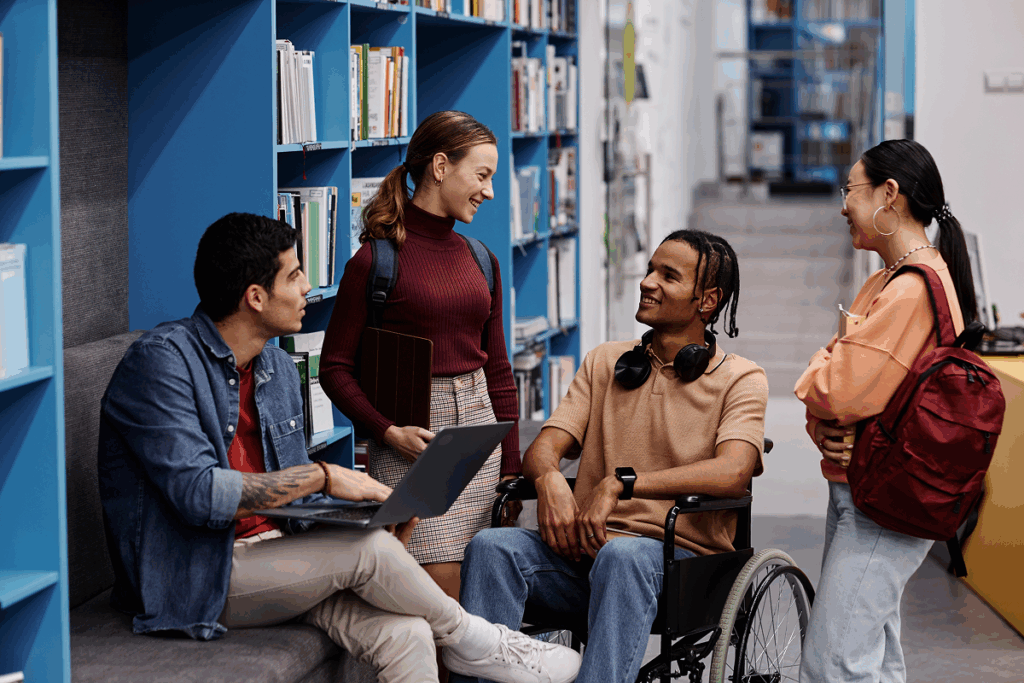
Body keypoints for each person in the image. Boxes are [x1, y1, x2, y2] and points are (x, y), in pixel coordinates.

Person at [97, 212, 581, 683]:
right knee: (367, 553)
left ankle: (468, 640)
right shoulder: (160, 365)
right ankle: (476, 640)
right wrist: (325, 476)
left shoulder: (277, 368)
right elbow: (198, 494)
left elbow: (294, 500)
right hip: (198, 574)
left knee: (408, 633)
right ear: (256, 297)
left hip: (282, 556)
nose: (308, 287)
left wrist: (369, 512)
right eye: (295, 275)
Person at [451, 230, 769, 683]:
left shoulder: (742, 378)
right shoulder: (604, 362)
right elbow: (545, 449)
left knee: (623, 557)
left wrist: (620, 484)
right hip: (581, 556)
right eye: (649, 269)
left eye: (668, 276)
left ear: (708, 300)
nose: (647, 282)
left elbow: (734, 471)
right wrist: (550, 483)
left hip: (680, 569)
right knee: (492, 547)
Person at [794, 139, 977, 683]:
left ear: (888, 194)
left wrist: (825, 385)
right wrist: (827, 420)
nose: (842, 203)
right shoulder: (891, 279)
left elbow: (836, 388)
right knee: (869, 655)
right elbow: (838, 396)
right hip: (865, 489)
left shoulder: (909, 291)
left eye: (849, 190)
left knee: (834, 662)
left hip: (882, 504)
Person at [320, 110, 521, 604]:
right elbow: (334, 369)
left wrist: (510, 469)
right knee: (436, 595)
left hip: (480, 440)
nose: (489, 191)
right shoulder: (374, 261)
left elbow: (497, 368)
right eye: (482, 175)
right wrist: (387, 432)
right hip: (413, 445)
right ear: (439, 166)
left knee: (481, 593)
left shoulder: (481, 259)